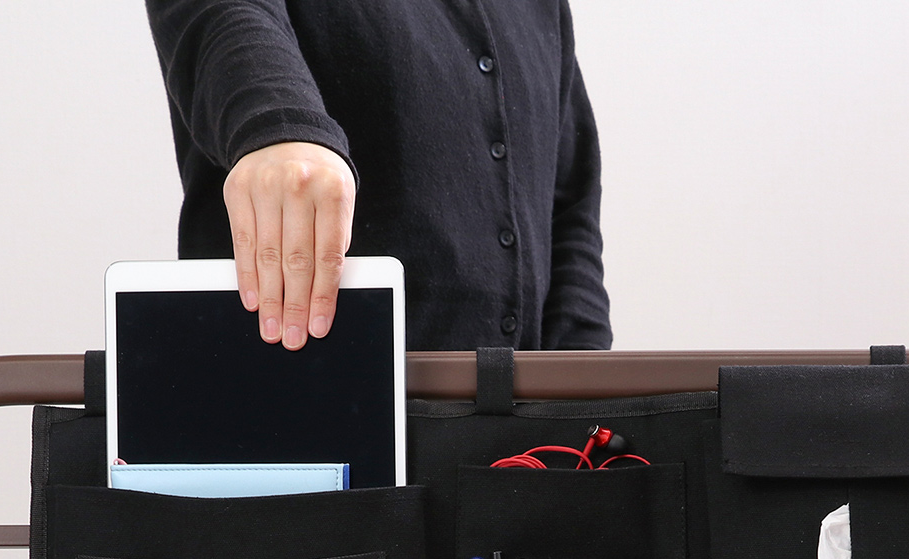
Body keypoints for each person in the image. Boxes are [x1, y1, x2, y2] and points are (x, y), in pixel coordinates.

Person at [145, 0, 612, 352]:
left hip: (522, 438)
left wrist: (583, 385)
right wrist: (282, 130)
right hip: (299, 409)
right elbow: (227, 17)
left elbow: (568, 207)